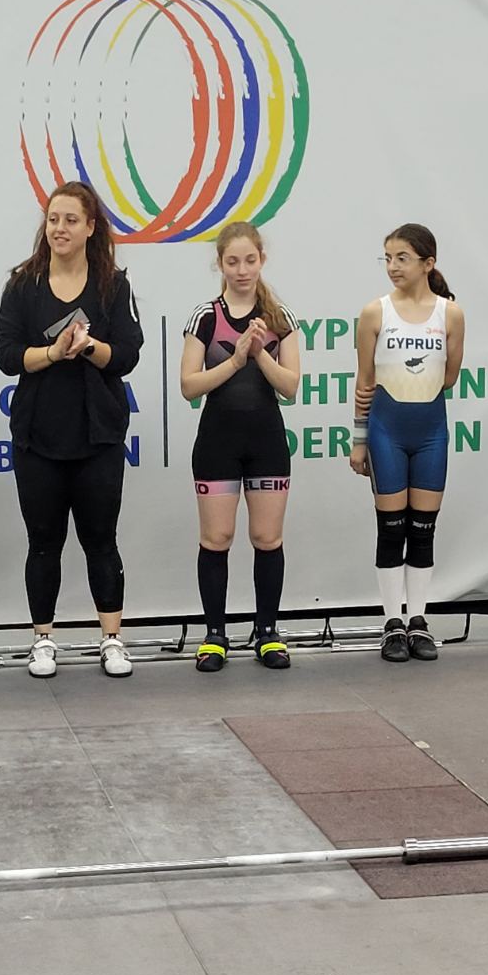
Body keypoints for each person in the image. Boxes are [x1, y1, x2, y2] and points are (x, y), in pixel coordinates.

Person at [0, 181, 143, 678]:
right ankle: (43, 640)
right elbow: (6, 355)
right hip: (37, 437)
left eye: (71, 220)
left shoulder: (113, 286)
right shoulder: (23, 285)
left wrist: (89, 348)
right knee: (43, 542)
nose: (59, 228)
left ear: (90, 227)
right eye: (53, 219)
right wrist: (54, 353)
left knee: (102, 540)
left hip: (98, 436)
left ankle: (112, 639)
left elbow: (127, 354)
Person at [180, 222, 301, 671]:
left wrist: (259, 351)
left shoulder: (280, 318)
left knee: (267, 538)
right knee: (217, 538)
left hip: (265, 440)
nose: (242, 269)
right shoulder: (205, 317)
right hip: (218, 441)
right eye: (233, 261)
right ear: (220, 264)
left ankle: (267, 632)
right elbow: (189, 386)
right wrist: (234, 360)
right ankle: (215, 635)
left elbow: (290, 387)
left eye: (250, 260)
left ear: (262, 260)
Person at [350, 225, 464, 662]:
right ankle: (392, 623)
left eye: (402, 258)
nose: (393, 266)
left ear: (428, 263)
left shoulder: (450, 315)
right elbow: (364, 382)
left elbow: (448, 377)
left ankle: (418, 621)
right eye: (388, 258)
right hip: (386, 432)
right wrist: (359, 441)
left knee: (423, 530)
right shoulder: (374, 313)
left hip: (431, 432)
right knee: (391, 528)